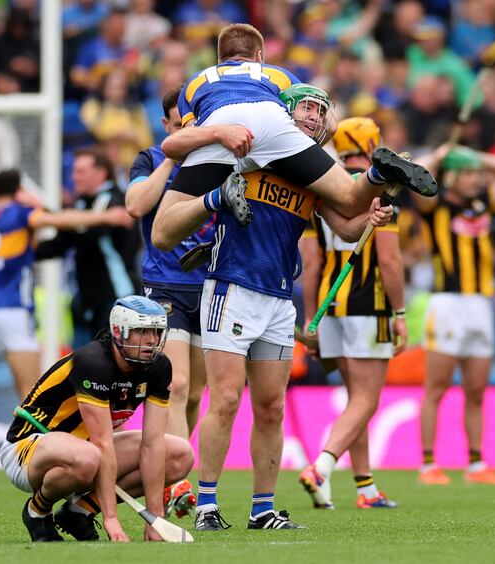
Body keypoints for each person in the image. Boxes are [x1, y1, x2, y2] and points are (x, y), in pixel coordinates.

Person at [159, 82, 394, 531]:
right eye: (305, 106)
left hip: (279, 298)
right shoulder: (251, 151)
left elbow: (346, 227)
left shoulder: (314, 172)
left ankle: (262, 508)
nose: (312, 115)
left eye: (320, 110)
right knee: (225, 399)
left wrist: (373, 218)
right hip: (232, 287)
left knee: (271, 407)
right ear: (286, 112)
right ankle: (207, 505)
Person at [151, 23, 436, 254]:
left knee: (162, 235)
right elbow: (331, 125)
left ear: (219, 60)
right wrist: (295, 155)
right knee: (352, 197)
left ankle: (216, 198)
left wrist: (219, 133)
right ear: (260, 57)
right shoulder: (278, 74)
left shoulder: (198, 80)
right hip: (274, 125)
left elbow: (179, 143)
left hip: (222, 126)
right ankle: (377, 173)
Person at [0, 169, 133, 481]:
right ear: (18, 189)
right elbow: (64, 222)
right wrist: (106, 217)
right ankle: (39, 451)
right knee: (30, 389)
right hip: (11, 312)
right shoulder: (24, 214)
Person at [0, 295, 194, 542]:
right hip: (28, 447)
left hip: (89, 450)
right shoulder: (93, 362)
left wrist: (155, 518)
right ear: (118, 331)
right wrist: (111, 520)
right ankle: (37, 511)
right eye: (141, 332)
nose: (151, 341)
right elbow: (103, 443)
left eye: (156, 333)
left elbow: (152, 443)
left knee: (179, 454)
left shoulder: (158, 367)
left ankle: (79, 512)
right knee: (89, 457)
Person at [298, 117, 407, 510]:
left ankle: (365, 488)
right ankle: (321, 468)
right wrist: (400, 312)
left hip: (330, 308)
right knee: (366, 400)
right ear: (375, 143)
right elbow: (390, 261)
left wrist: (311, 319)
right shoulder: (382, 190)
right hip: (367, 305)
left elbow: (310, 266)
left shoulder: (324, 188)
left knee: (353, 399)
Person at [125, 84, 215, 518]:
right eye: (181, 123)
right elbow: (135, 205)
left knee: (196, 394)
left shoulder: (220, 158)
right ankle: (177, 483)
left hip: (213, 286)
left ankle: (172, 461)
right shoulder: (150, 160)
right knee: (176, 385)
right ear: (167, 126)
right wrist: (174, 156)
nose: (190, 128)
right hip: (166, 287)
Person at [413, 145, 495, 485]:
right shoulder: (435, 205)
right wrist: (441, 154)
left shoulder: (484, 203)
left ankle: (476, 464)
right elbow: (413, 174)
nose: (477, 178)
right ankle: (428, 464)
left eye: (478, 173)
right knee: (437, 387)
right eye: (470, 172)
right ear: (452, 177)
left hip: (480, 304)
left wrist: (471, 153)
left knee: (476, 390)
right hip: (448, 304)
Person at [36, 147, 141, 347]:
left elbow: (87, 231)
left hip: (117, 297)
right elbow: (60, 243)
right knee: (85, 366)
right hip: (88, 300)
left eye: (80, 171)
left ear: (101, 173)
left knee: (111, 366)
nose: (74, 177)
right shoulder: (82, 204)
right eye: (74, 171)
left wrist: (44, 215)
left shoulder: (112, 199)